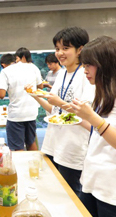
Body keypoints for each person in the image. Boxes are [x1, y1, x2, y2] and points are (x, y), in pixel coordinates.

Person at [68, 36, 116, 217]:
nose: (85, 71)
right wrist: (77, 118)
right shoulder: (105, 91)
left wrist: (92, 117)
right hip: (95, 184)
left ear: (106, 64)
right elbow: (103, 133)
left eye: (88, 65)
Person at [28, 27, 95, 197]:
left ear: (80, 49)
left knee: (72, 198)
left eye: (66, 48)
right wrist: (36, 96)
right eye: (57, 49)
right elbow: (54, 110)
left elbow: (86, 115)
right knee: (55, 193)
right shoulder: (62, 74)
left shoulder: (86, 76)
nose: (60, 53)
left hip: (73, 149)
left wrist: (61, 103)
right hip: (53, 143)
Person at [0, 47, 43, 151]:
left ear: (18, 57)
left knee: (17, 147)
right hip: (32, 113)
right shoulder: (34, 68)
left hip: (16, 114)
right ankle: (35, 166)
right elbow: (40, 86)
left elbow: (1, 94)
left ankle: (21, 167)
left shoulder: (6, 71)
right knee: (31, 142)